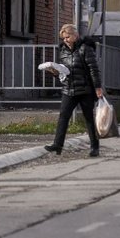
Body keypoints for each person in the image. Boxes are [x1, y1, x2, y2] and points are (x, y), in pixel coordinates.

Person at [44, 23, 104, 157]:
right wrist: (55, 72)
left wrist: (98, 88)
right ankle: (57, 145)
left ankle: (95, 147)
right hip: (68, 89)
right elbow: (64, 72)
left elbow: (93, 69)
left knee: (89, 118)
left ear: (75, 35)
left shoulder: (85, 49)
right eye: (63, 38)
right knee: (63, 117)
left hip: (85, 89)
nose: (65, 40)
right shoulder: (63, 51)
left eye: (68, 37)